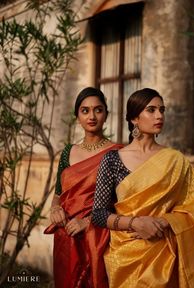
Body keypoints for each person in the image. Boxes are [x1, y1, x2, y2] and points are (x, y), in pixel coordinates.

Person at [92, 88, 194, 288]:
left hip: (167, 255)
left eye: (162, 109)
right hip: (125, 257)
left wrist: (167, 222)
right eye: (151, 110)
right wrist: (135, 223)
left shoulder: (175, 160)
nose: (159, 115)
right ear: (135, 118)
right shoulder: (112, 160)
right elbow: (98, 213)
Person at [44, 87, 122, 288]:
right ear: (77, 116)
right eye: (85, 110)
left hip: (98, 237)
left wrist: (87, 222)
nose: (92, 116)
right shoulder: (68, 152)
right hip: (66, 237)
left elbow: (123, 204)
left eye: (98, 109)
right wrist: (55, 209)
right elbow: (58, 194)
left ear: (106, 114)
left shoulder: (118, 154)